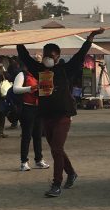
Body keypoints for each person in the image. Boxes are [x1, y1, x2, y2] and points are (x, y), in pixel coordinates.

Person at [16, 29, 104, 197]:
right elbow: (25, 57)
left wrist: (90, 39)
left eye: (51, 55)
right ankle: (71, 173)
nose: (48, 57)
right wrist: (18, 40)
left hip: (63, 115)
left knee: (56, 148)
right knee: (57, 149)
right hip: (46, 115)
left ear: (57, 57)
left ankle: (56, 183)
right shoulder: (39, 69)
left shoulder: (66, 69)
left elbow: (80, 55)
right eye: (45, 54)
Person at [12, 53, 49, 172]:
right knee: (26, 136)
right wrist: (30, 89)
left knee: (38, 136)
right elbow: (15, 89)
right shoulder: (22, 74)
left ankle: (39, 160)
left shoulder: (42, 75)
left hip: (39, 108)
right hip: (27, 108)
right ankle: (24, 162)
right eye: (36, 62)